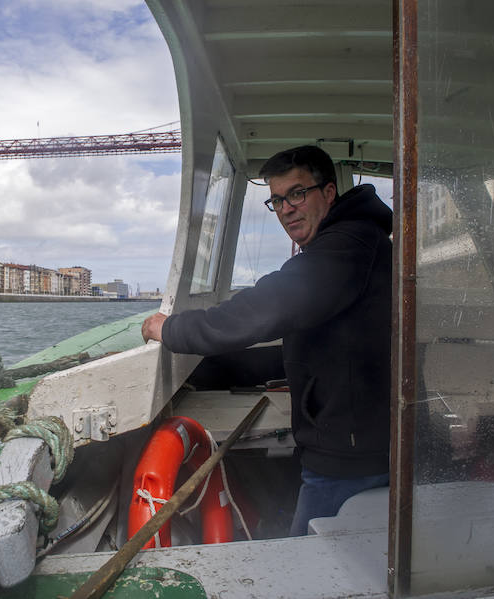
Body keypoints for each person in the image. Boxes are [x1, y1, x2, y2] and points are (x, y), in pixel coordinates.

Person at [141, 145, 392, 535]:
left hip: (351, 458)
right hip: (350, 444)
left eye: (297, 193)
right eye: (277, 200)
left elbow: (269, 307)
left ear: (328, 193)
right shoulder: (350, 243)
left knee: (309, 568)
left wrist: (170, 329)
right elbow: (314, 346)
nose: (287, 208)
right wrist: (215, 370)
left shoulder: (349, 244)